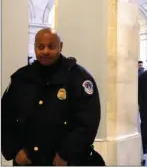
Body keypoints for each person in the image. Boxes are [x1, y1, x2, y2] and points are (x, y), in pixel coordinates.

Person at [1, 28, 104, 166]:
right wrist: (14, 150)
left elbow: (87, 122)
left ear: (60, 47)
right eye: (41, 47)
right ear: (35, 48)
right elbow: (5, 117)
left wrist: (66, 154)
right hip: (28, 161)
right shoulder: (21, 78)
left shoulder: (78, 78)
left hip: (66, 161)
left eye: (51, 46)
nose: (45, 51)